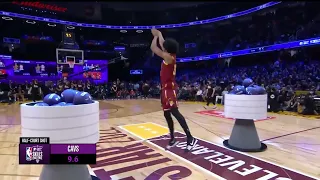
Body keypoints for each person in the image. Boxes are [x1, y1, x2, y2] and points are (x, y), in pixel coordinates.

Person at [150, 28, 198, 152]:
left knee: (175, 112)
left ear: (167, 49)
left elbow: (153, 48)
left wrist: (155, 36)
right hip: (164, 89)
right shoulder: (169, 54)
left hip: (170, 90)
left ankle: (190, 138)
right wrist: (159, 34)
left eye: (165, 46)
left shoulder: (168, 58)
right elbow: (163, 43)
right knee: (167, 114)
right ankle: (172, 139)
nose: (163, 45)